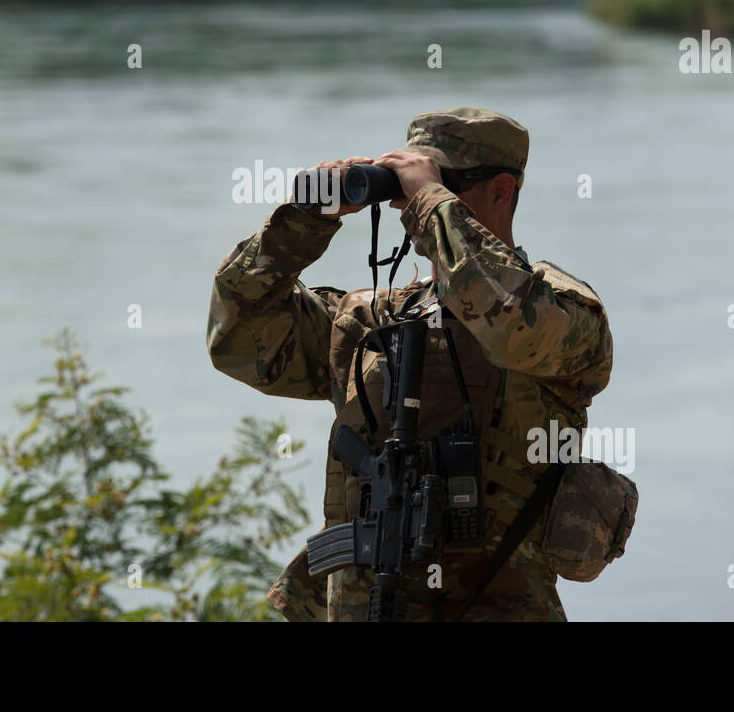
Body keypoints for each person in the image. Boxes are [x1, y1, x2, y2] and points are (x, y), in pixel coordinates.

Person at [207, 107, 613, 621]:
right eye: (404, 188)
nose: (409, 205)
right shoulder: (372, 320)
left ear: (502, 191)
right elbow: (238, 340)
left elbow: (509, 323)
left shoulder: (564, 312)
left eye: (442, 183)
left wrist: (430, 199)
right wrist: (302, 222)